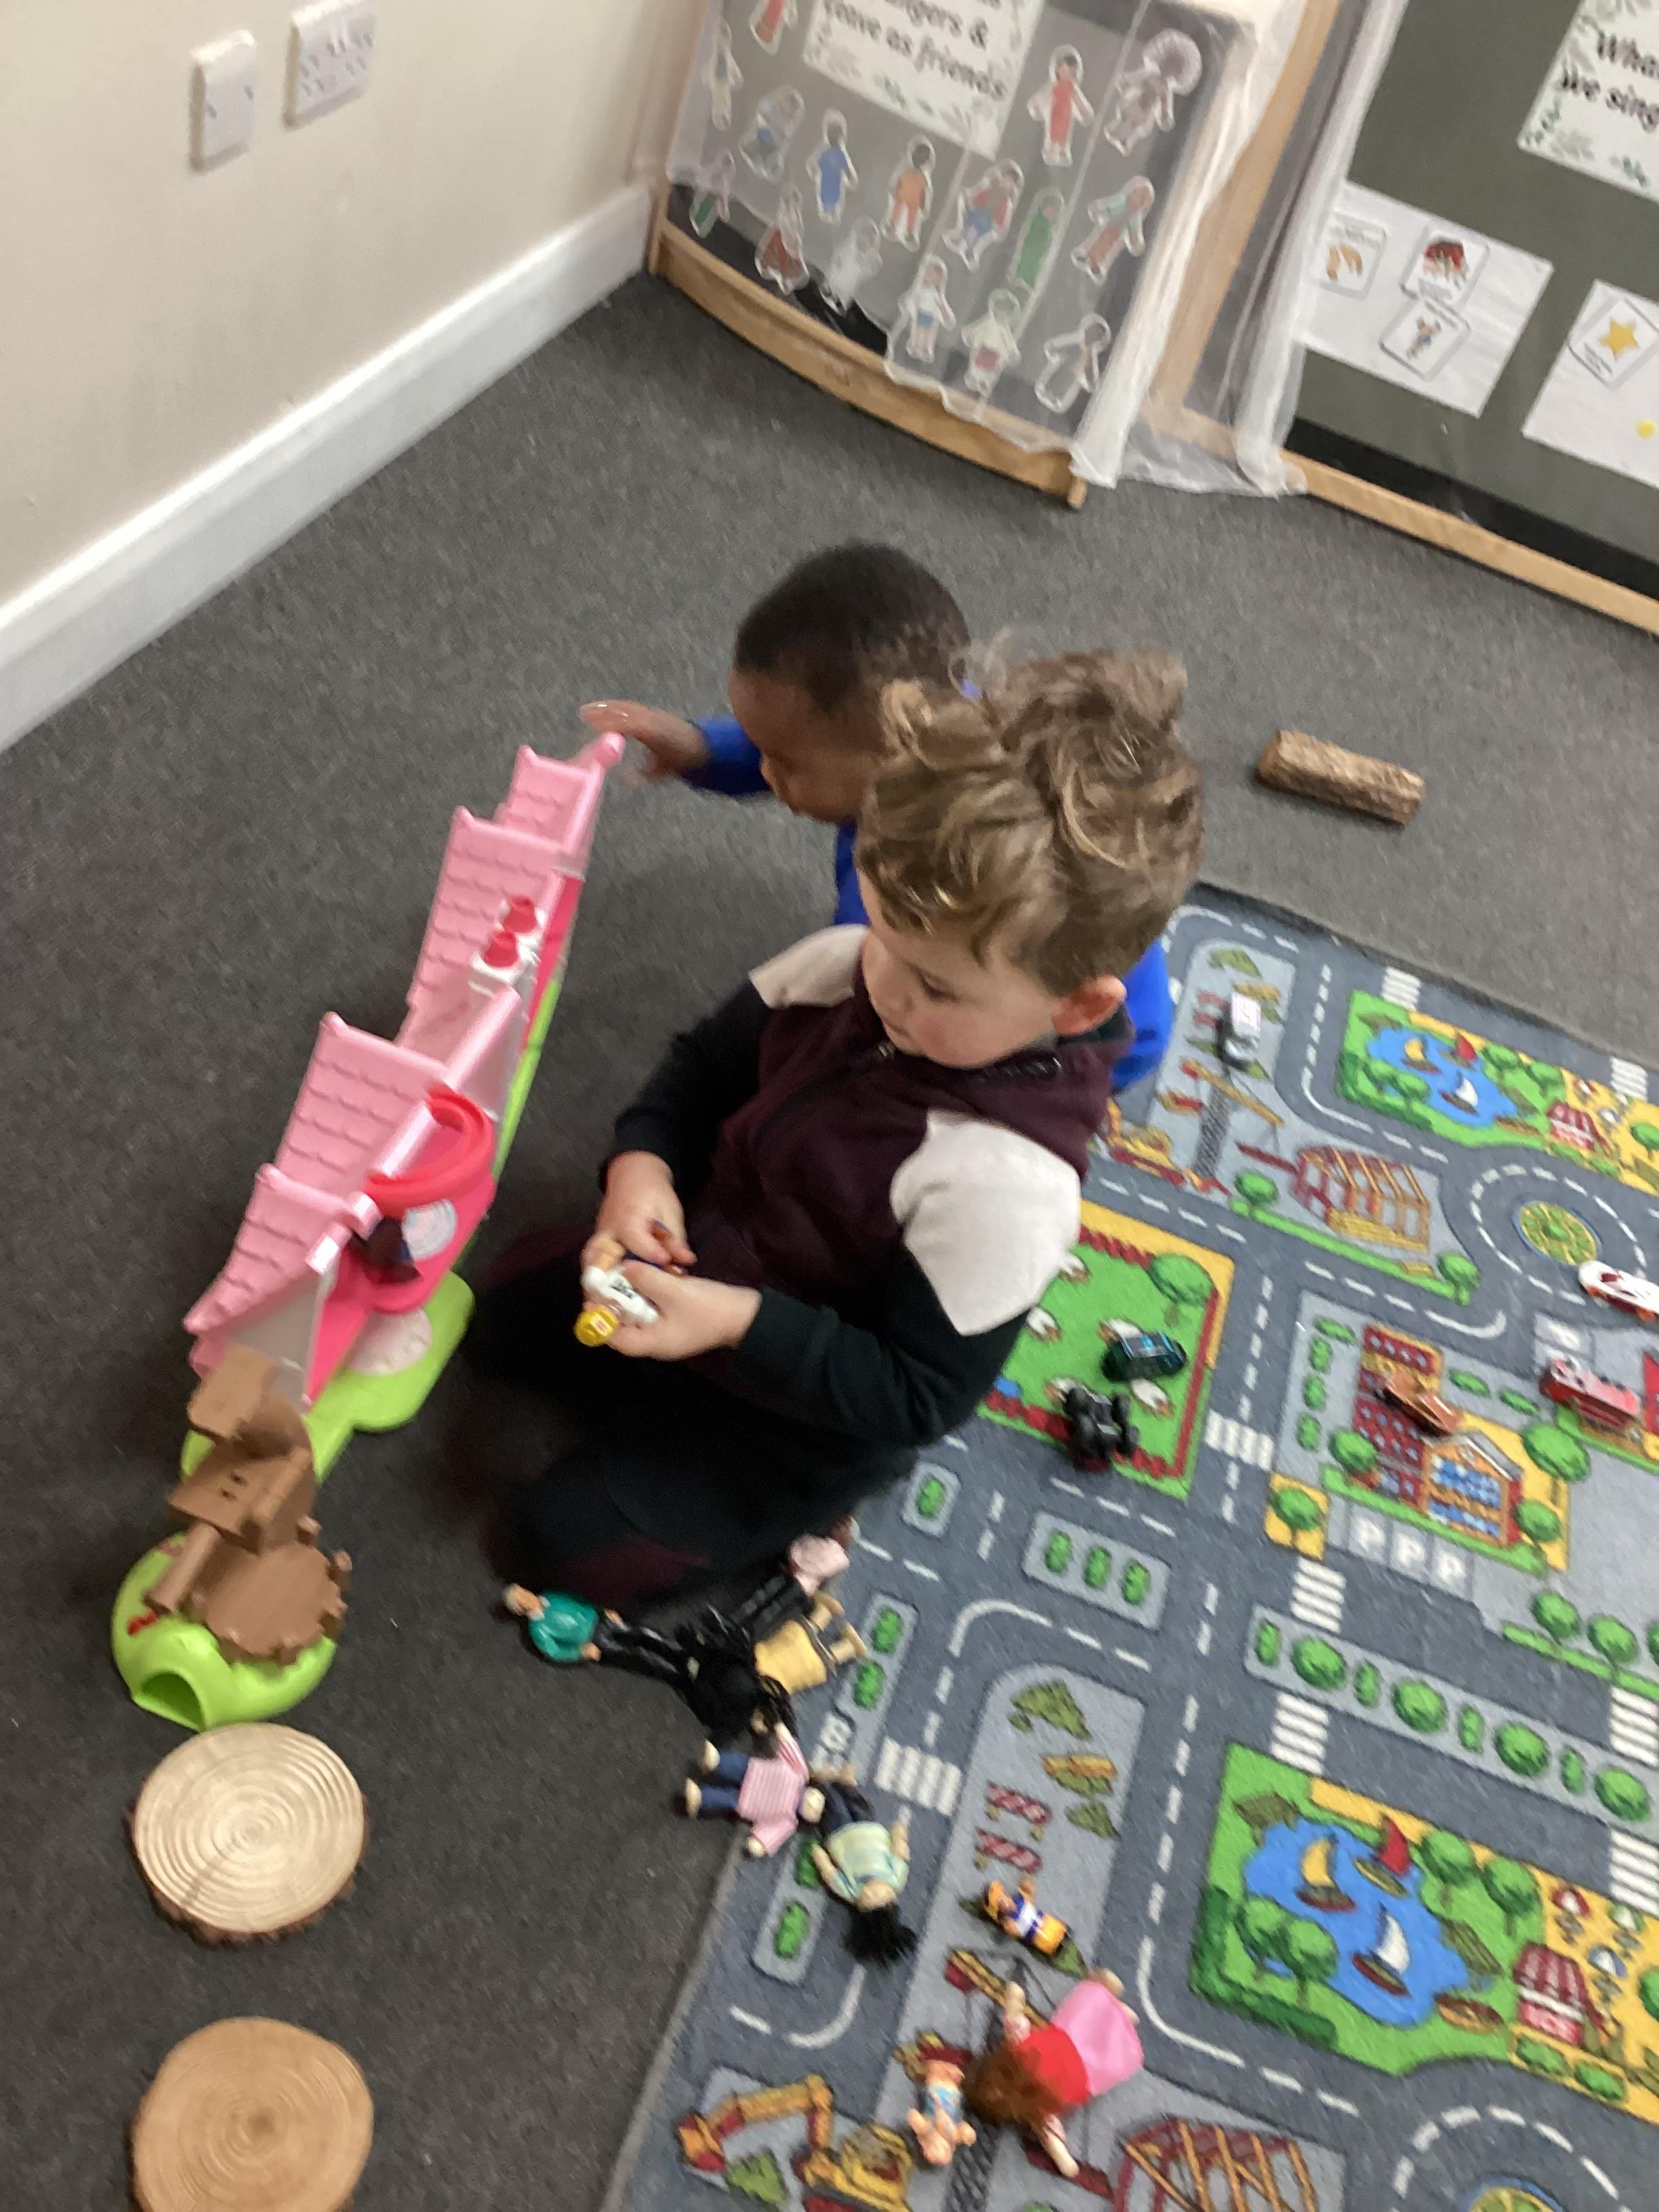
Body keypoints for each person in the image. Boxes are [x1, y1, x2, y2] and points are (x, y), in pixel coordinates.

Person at [471, 647, 1203, 1626]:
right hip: (702, 1256)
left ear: (1074, 1008)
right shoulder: (847, 965)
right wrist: (642, 1171)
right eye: (884, 934)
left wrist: (736, 1323)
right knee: (496, 1313)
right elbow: (701, 1069)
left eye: (935, 986)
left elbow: (915, 1394)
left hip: (798, 1411)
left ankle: (797, 1502)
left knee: (558, 1540)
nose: (884, 986)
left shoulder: (1008, 1188)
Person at [579, 545, 1172, 1089]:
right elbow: (790, 743)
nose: (766, 773)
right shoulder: (934, 715)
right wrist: (700, 748)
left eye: (783, 763)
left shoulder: (913, 892)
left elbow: (871, 1009)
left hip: (1100, 1040)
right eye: (760, 751)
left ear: (892, 747)